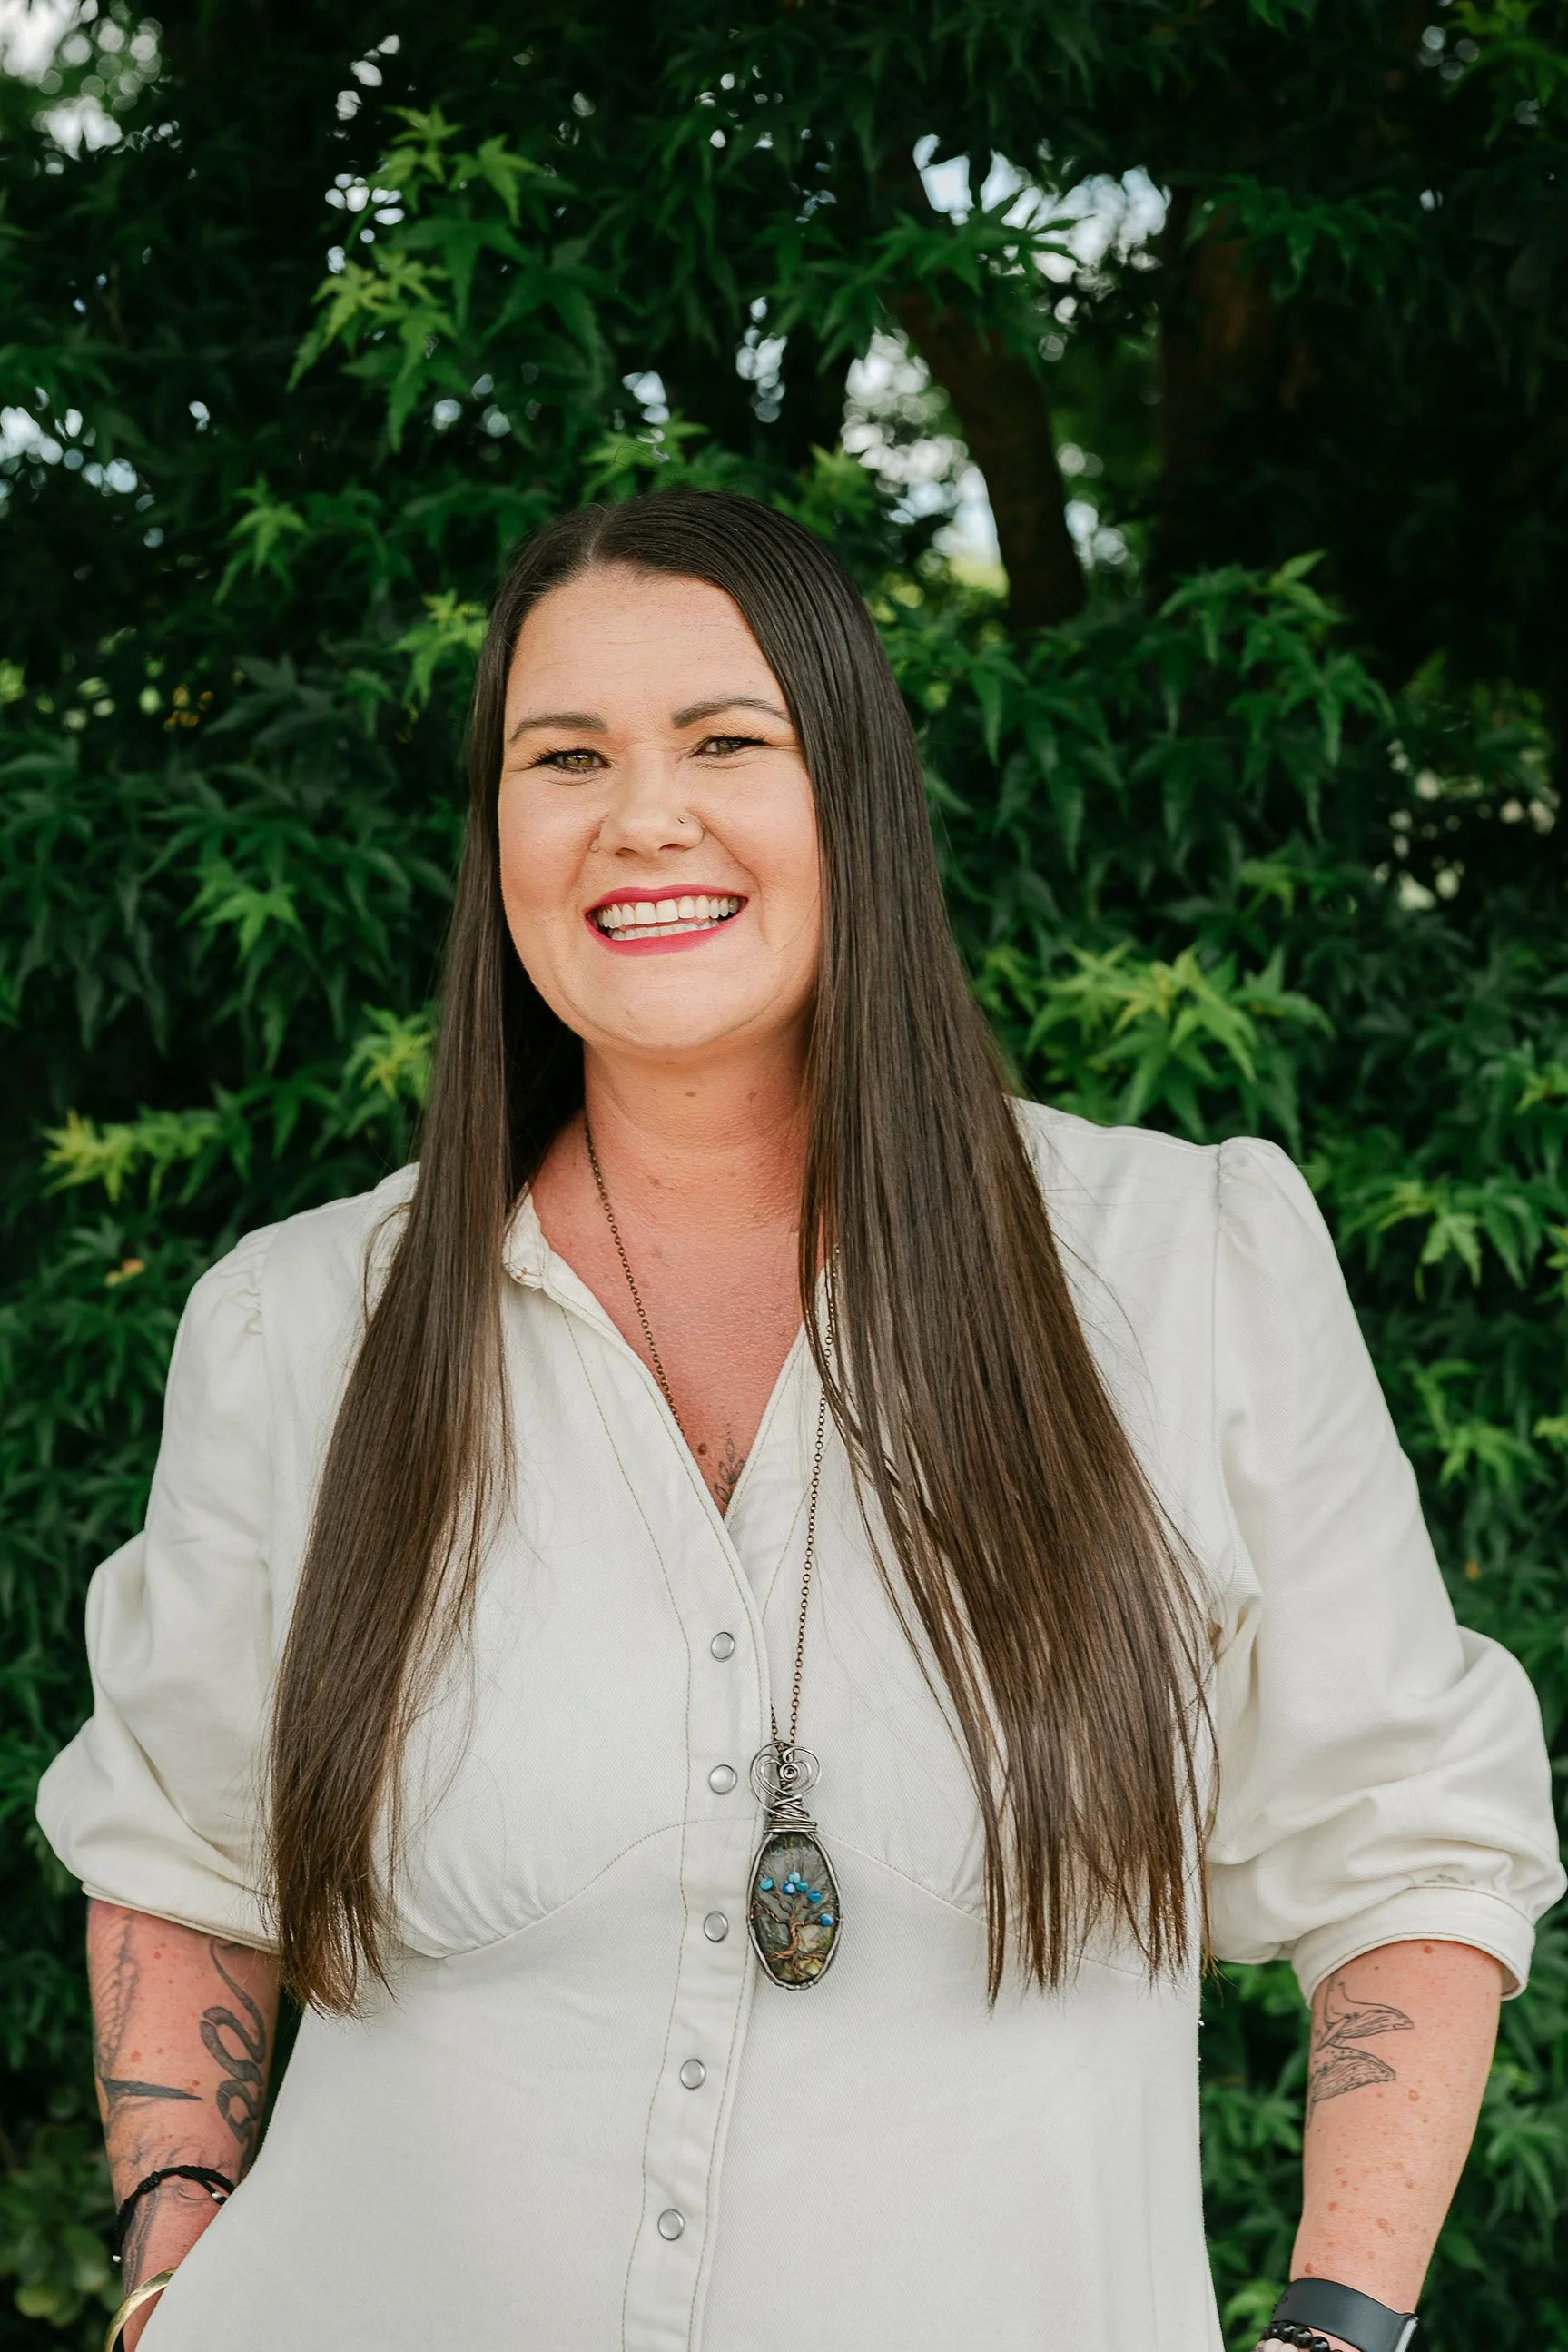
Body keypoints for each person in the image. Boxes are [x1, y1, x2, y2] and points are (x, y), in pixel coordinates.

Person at [38, 490, 1562, 2352]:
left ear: (852, 788)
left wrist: (1334, 2328)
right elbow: (189, 1854)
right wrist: (170, 2273)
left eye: (724, 740)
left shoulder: (1186, 1269)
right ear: (497, 828)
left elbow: (1406, 1837)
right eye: (564, 754)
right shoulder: (298, 1327)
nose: (640, 815)